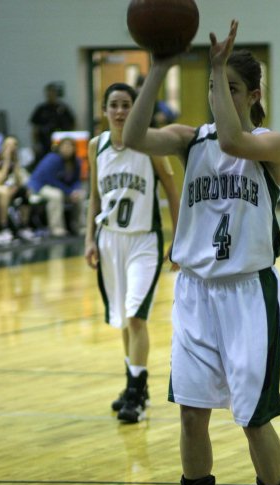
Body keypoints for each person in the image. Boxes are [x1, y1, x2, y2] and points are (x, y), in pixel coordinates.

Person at [122, 21, 280, 485]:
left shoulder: (269, 145)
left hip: (250, 295)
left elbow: (232, 139)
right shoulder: (186, 139)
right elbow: (131, 137)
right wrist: (158, 68)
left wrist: (217, 66)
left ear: (253, 96)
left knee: (253, 418)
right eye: (214, 90)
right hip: (197, 292)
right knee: (192, 414)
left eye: (228, 89)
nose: (218, 97)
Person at [85, 82, 180, 423]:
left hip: (144, 240)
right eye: (114, 105)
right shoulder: (97, 146)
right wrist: (89, 239)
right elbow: (93, 198)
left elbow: (171, 187)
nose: (121, 111)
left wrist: (178, 237)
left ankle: (136, 395)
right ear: (105, 110)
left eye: (127, 104)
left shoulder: (150, 144)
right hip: (109, 239)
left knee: (136, 316)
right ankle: (134, 384)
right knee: (124, 318)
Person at [28, 137, 86, 236]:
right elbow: (51, 180)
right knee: (56, 195)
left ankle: (81, 227)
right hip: (41, 185)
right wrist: (69, 192)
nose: (67, 149)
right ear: (59, 147)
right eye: (65, 146)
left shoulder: (76, 162)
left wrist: (75, 190)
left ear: (74, 149)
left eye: (70, 146)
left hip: (62, 188)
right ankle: (56, 228)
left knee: (81, 195)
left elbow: (76, 180)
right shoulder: (52, 159)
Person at [0, 135, 34, 244]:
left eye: (14, 145)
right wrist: (7, 161)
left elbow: (19, 182)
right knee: (4, 192)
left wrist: (16, 163)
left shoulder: (15, 161)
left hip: (9, 189)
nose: (11, 148)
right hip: (1, 189)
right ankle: (2, 228)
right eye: (8, 145)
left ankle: (24, 226)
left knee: (24, 191)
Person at [29, 83, 76, 166]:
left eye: (53, 92)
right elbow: (35, 128)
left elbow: (73, 123)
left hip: (60, 142)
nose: (51, 95)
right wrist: (35, 144)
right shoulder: (41, 109)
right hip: (44, 143)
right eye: (49, 93)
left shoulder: (63, 108)